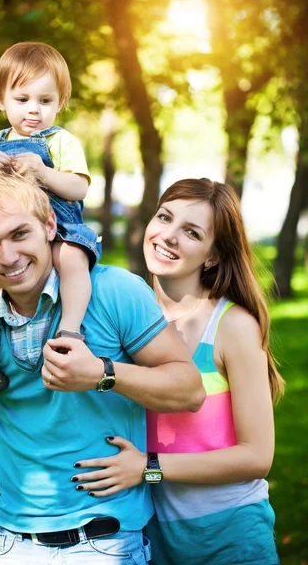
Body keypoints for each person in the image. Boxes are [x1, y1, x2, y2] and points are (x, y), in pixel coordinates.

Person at [0, 165, 205, 565]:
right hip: (10, 540)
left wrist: (102, 374)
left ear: (48, 225)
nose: (8, 257)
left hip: (105, 540)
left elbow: (190, 390)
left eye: (19, 234)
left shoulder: (114, 290)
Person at [70, 178, 285, 565]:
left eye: (191, 232)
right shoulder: (124, 318)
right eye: (164, 217)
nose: (168, 236)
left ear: (213, 256)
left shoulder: (232, 326)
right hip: (147, 533)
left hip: (229, 535)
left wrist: (148, 469)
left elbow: (257, 456)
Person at [0, 40, 102, 406]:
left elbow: (79, 186)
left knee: (72, 259)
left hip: (61, 227)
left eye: (46, 100)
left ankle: (70, 331)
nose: (34, 110)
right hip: (14, 233)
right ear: (0, 99)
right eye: (22, 100)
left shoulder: (60, 141)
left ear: (61, 101)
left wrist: (44, 172)